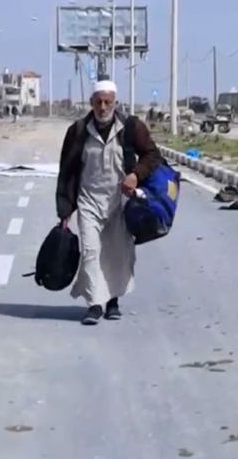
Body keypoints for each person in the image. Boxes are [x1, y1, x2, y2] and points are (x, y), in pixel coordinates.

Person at [56, 80, 161, 325]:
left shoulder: (131, 127)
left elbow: (153, 154)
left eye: (108, 102)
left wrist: (136, 174)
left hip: (120, 202)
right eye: (98, 102)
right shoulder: (78, 130)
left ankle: (113, 301)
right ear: (92, 102)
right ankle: (94, 304)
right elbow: (67, 171)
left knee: (117, 254)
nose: (103, 107)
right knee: (91, 252)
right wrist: (65, 209)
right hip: (89, 200)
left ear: (115, 102)